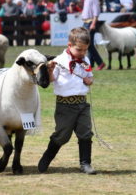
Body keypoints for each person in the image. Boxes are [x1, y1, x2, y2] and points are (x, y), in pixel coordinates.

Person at [38, 27, 96, 175]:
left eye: (85, 50)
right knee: (62, 135)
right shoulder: (59, 61)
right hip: (65, 105)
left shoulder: (85, 60)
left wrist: (89, 81)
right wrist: (50, 70)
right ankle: (47, 157)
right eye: (79, 50)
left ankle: (85, 163)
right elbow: (51, 80)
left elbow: (90, 77)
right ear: (69, 46)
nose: (83, 53)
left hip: (82, 103)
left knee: (85, 133)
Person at [80, 0, 105, 70]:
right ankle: (90, 64)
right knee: (88, 44)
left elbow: (96, 11)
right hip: (86, 22)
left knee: (87, 44)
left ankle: (100, 63)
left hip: (90, 22)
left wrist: (93, 23)